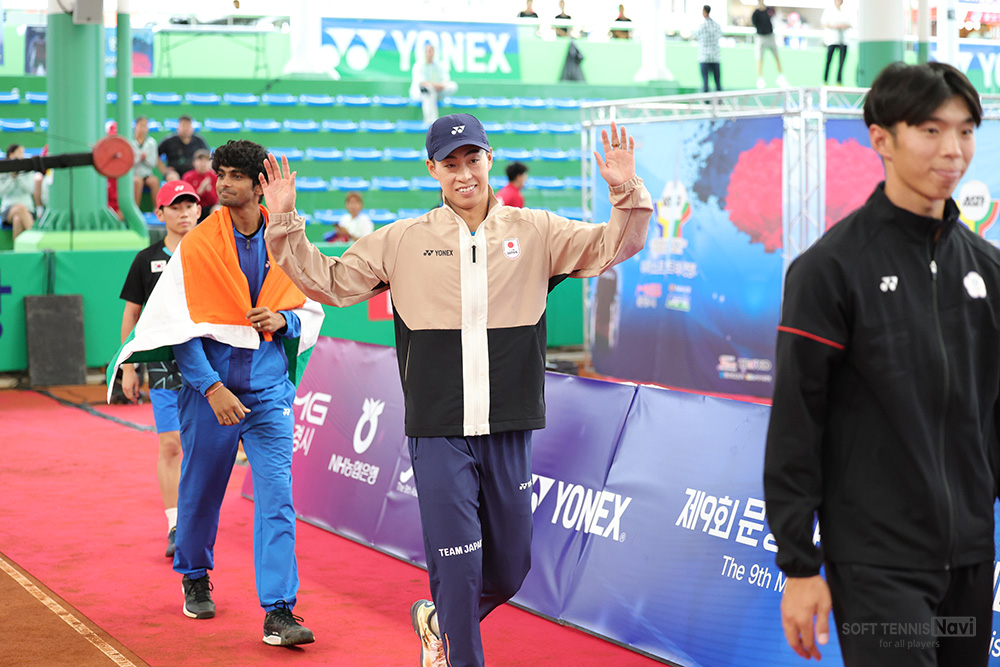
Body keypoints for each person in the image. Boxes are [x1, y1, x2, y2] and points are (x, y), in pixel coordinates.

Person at [262, 113, 652, 667]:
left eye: (472, 160)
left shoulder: (536, 230)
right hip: (438, 428)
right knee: (460, 567)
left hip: (508, 423)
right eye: (450, 164)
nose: (464, 173)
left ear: (489, 159)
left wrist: (624, 190)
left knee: (511, 568)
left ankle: (437, 619)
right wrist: (285, 223)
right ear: (432, 170)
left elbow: (613, 245)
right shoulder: (402, 240)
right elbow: (330, 282)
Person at [764, 62, 996, 666]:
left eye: (966, 130)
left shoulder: (988, 270)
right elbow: (796, 421)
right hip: (877, 562)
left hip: (972, 558)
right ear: (882, 139)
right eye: (931, 130)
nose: (953, 150)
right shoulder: (830, 269)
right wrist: (799, 565)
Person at [108, 139, 324, 646]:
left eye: (233, 176)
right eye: (220, 174)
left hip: (269, 394)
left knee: (278, 499)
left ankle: (279, 611)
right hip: (211, 393)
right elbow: (178, 328)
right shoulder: (198, 244)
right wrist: (211, 388)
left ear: (258, 185)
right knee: (201, 490)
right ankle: (195, 574)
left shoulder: (288, 239)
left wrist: (285, 320)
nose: (221, 183)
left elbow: (311, 309)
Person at [119, 180, 200, 558]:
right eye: (176, 207)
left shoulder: (211, 252)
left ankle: (198, 519)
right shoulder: (146, 259)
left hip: (207, 362)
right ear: (160, 213)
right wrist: (128, 367)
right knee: (170, 445)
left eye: (190, 206)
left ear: (199, 210)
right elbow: (131, 314)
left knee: (202, 447)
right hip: (163, 365)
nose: (184, 213)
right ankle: (175, 524)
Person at [410, 43, 459, 125]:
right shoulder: (418, 65)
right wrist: (434, 86)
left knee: (453, 85)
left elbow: (446, 80)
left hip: (438, 91)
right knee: (429, 91)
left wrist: (440, 86)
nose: (429, 54)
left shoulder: (439, 65)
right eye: (427, 51)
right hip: (421, 94)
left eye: (431, 51)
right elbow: (422, 83)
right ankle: (431, 121)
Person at [157, 115, 209, 182]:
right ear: (178, 128)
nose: (186, 129)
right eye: (183, 125)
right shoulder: (169, 141)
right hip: (175, 172)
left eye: (188, 126)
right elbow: (156, 154)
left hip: (194, 172)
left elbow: (207, 156)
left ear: (192, 128)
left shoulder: (199, 141)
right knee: (172, 177)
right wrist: (164, 170)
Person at [0, 144, 36, 239]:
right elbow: (1, 192)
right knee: (20, 208)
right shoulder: (2, 170)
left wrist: (19, 176)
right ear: (11, 154)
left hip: (28, 209)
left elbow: (30, 189)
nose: (22, 155)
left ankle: (17, 247)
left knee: (17, 219)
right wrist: (12, 178)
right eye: (19, 152)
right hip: (8, 209)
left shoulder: (28, 169)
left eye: (23, 153)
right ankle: (34, 238)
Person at [752, 0, 787, 88]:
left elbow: (776, 17)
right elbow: (754, 23)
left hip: (770, 36)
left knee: (776, 57)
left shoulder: (769, 10)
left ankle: (781, 77)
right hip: (760, 37)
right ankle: (760, 79)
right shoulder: (755, 13)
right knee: (760, 59)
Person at [182, 148, 219, 222]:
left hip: (209, 208)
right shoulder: (188, 177)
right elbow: (186, 199)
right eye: (200, 160)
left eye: (206, 160)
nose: (203, 163)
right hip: (194, 207)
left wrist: (209, 190)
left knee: (217, 208)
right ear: (194, 162)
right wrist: (200, 190)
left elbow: (215, 201)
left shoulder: (214, 177)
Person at [132, 116, 161, 207]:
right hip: (134, 174)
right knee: (138, 182)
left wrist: (145, 159)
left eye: (145, 126)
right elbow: (128, 163)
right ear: (136, 126)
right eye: (141, 125)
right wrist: (139, 158)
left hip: (147, 174)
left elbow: (153, 163)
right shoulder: (129, 142)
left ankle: (157, 208)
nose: (143, 128)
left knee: (154, 181)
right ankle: (135, 209)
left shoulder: (152, 142)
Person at [821, 0, 851, 86]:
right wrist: (834, 26)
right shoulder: (829, 10)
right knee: (829, 61)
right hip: (832, 40)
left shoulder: (846, 10)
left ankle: (839, 81)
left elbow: (851, 24)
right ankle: (825, 80)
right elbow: (824, 23)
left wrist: (843, 26)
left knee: (841, 63)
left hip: (843, 41)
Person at [694, 4, 722, 93]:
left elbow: (696, 36)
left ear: (704, 12)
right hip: (715, 57)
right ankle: (719, 99)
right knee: (717, 83)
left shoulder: (701, 26)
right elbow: (720, 35)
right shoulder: (716, 26)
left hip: (704, 57)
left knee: (705, 83)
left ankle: (706, 100)